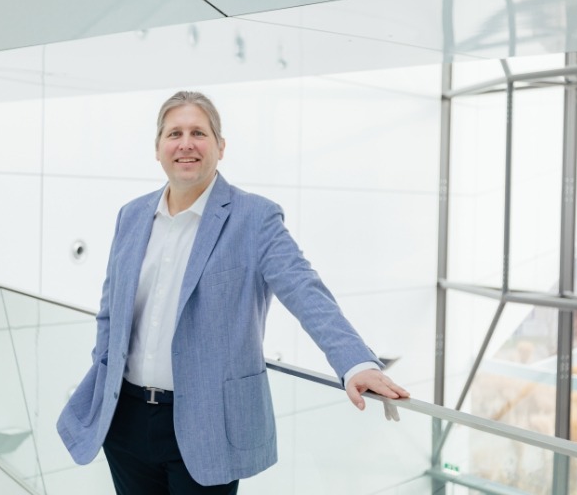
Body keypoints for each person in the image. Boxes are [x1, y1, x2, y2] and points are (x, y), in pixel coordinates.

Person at [57, 91, 410, 494]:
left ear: (220, 147)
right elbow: (110, 310)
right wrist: (103, 365)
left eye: (198, 133)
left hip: (209, 425)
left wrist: (355, 363)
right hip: (125, 420)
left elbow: (304, 288)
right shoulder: (132, 215)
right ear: (158, 148)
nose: (186, 144)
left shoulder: (254, 218)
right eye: (174, 133)